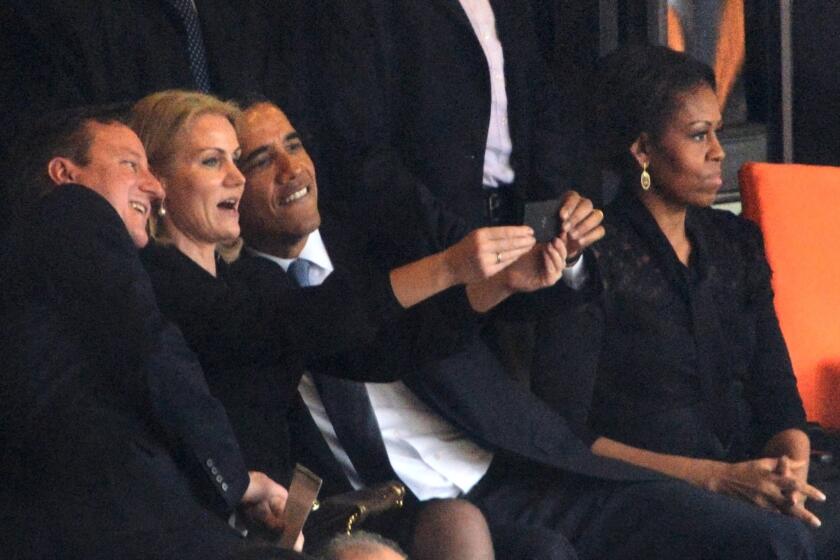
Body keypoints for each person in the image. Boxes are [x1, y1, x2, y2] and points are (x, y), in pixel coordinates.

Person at [234, 99, 816, 560]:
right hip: (392, 513)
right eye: (260, 160)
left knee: (770, 541)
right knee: (543, 553)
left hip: (518, 466)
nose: (291, 169)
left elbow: (499, 301)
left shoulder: (385, 230)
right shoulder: (232, 305)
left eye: (294, 145)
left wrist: (556, 264)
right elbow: (333, 337)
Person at [131, 90, 570, 558]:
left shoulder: (248, 277)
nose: (237, 179)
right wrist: (446, 266)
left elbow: (375, 351)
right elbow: (296, 323)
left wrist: (497, 284)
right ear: (157, 182)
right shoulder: (157, 282)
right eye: (212, 162)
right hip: (229, 529)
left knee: (512, 540)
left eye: (237, 161)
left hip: (295, 517)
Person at [532, 44, 838, 557]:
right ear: (643, 151)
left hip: (755, 470)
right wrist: (718, 479)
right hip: (655, 491)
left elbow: (776, 389)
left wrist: (791, 463)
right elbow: (567, 432)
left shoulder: (735, 241)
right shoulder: (594, 259)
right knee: (778, 541)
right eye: (699, 135)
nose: (719, 150)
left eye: (718, 130)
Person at [0, 106, 304, 559]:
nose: (154, 185)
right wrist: (233, 477)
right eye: (130, 164)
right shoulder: (70, 210)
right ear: (65, 173)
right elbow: (151, 353)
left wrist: (241, 486)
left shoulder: (48, 274)